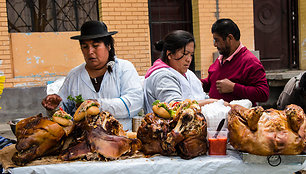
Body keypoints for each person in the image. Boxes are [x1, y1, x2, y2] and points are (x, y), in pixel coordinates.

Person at [42, 21, 143, 123]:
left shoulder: (124, 68)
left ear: (108, 46)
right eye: (85, 47)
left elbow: (135, 102)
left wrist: (97, 105)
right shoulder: (74, 75)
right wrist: (55, 106)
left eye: (95, 46)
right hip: (83, 137)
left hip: (120, 135)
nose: (90, 51)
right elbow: (64, 111)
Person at [143, 30, 217, 114]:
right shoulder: (162, 77)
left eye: (191, 55)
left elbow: (201, 97)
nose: (189, 59)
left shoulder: (189, 74)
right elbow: (176, 107)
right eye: (185, 53)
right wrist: (211, 102)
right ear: (169, 54)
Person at [201, 18, 269, 106]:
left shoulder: (250, 62)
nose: (215, 44)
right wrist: (199, 83)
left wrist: (234, 88)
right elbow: (212, 83)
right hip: (217, 115)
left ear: (229, 38)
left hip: (237, 117)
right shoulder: (221, 59)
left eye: (217, 40)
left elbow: (263, 93)